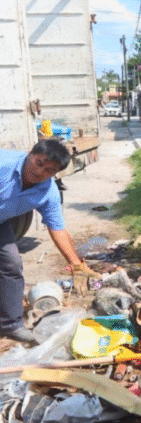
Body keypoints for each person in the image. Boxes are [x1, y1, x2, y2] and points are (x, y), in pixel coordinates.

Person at [0, 139, 83, 343]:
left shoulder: (48, 192)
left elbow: (58, 229)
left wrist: (76, 264)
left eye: (49, 170)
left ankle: (11, 325)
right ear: (30, 154)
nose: (40, 172)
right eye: (39, 163)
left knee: (12, 263)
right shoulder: (4, 163)